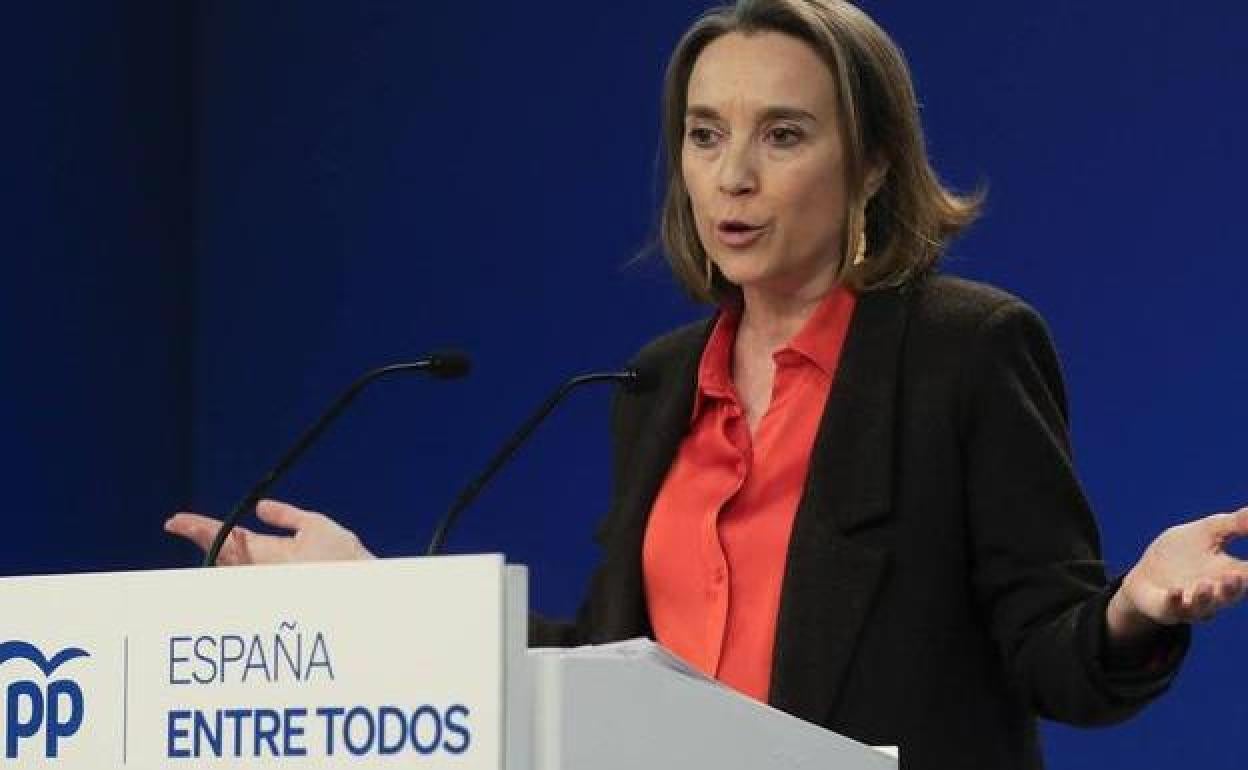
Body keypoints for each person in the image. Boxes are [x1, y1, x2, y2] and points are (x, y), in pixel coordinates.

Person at [166, 1, 1248, 767]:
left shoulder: (966, 350)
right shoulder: (659, 381)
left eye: (782, 134)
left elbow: (1052, 655)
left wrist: (1131, 606)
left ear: (873, 160)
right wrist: (380, 596)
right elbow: (611, 666)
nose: (732, 176)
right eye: (704, 135)